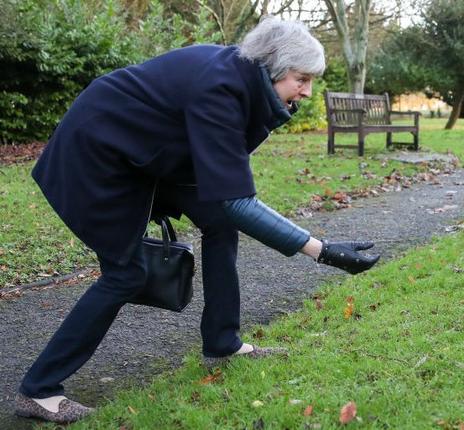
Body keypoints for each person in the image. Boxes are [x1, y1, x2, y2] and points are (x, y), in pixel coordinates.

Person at [15, 17, 380, 424]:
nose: (308, 91)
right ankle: (39, 391)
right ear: (273, 66)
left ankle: (223, 343)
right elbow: (238, 201)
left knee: (219, 223)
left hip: (147, 155)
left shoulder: (239, 79)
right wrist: (321, 251)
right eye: (302, 79)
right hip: (95, 157)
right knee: (126, 274)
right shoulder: (220, 88)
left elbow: (227, 193)